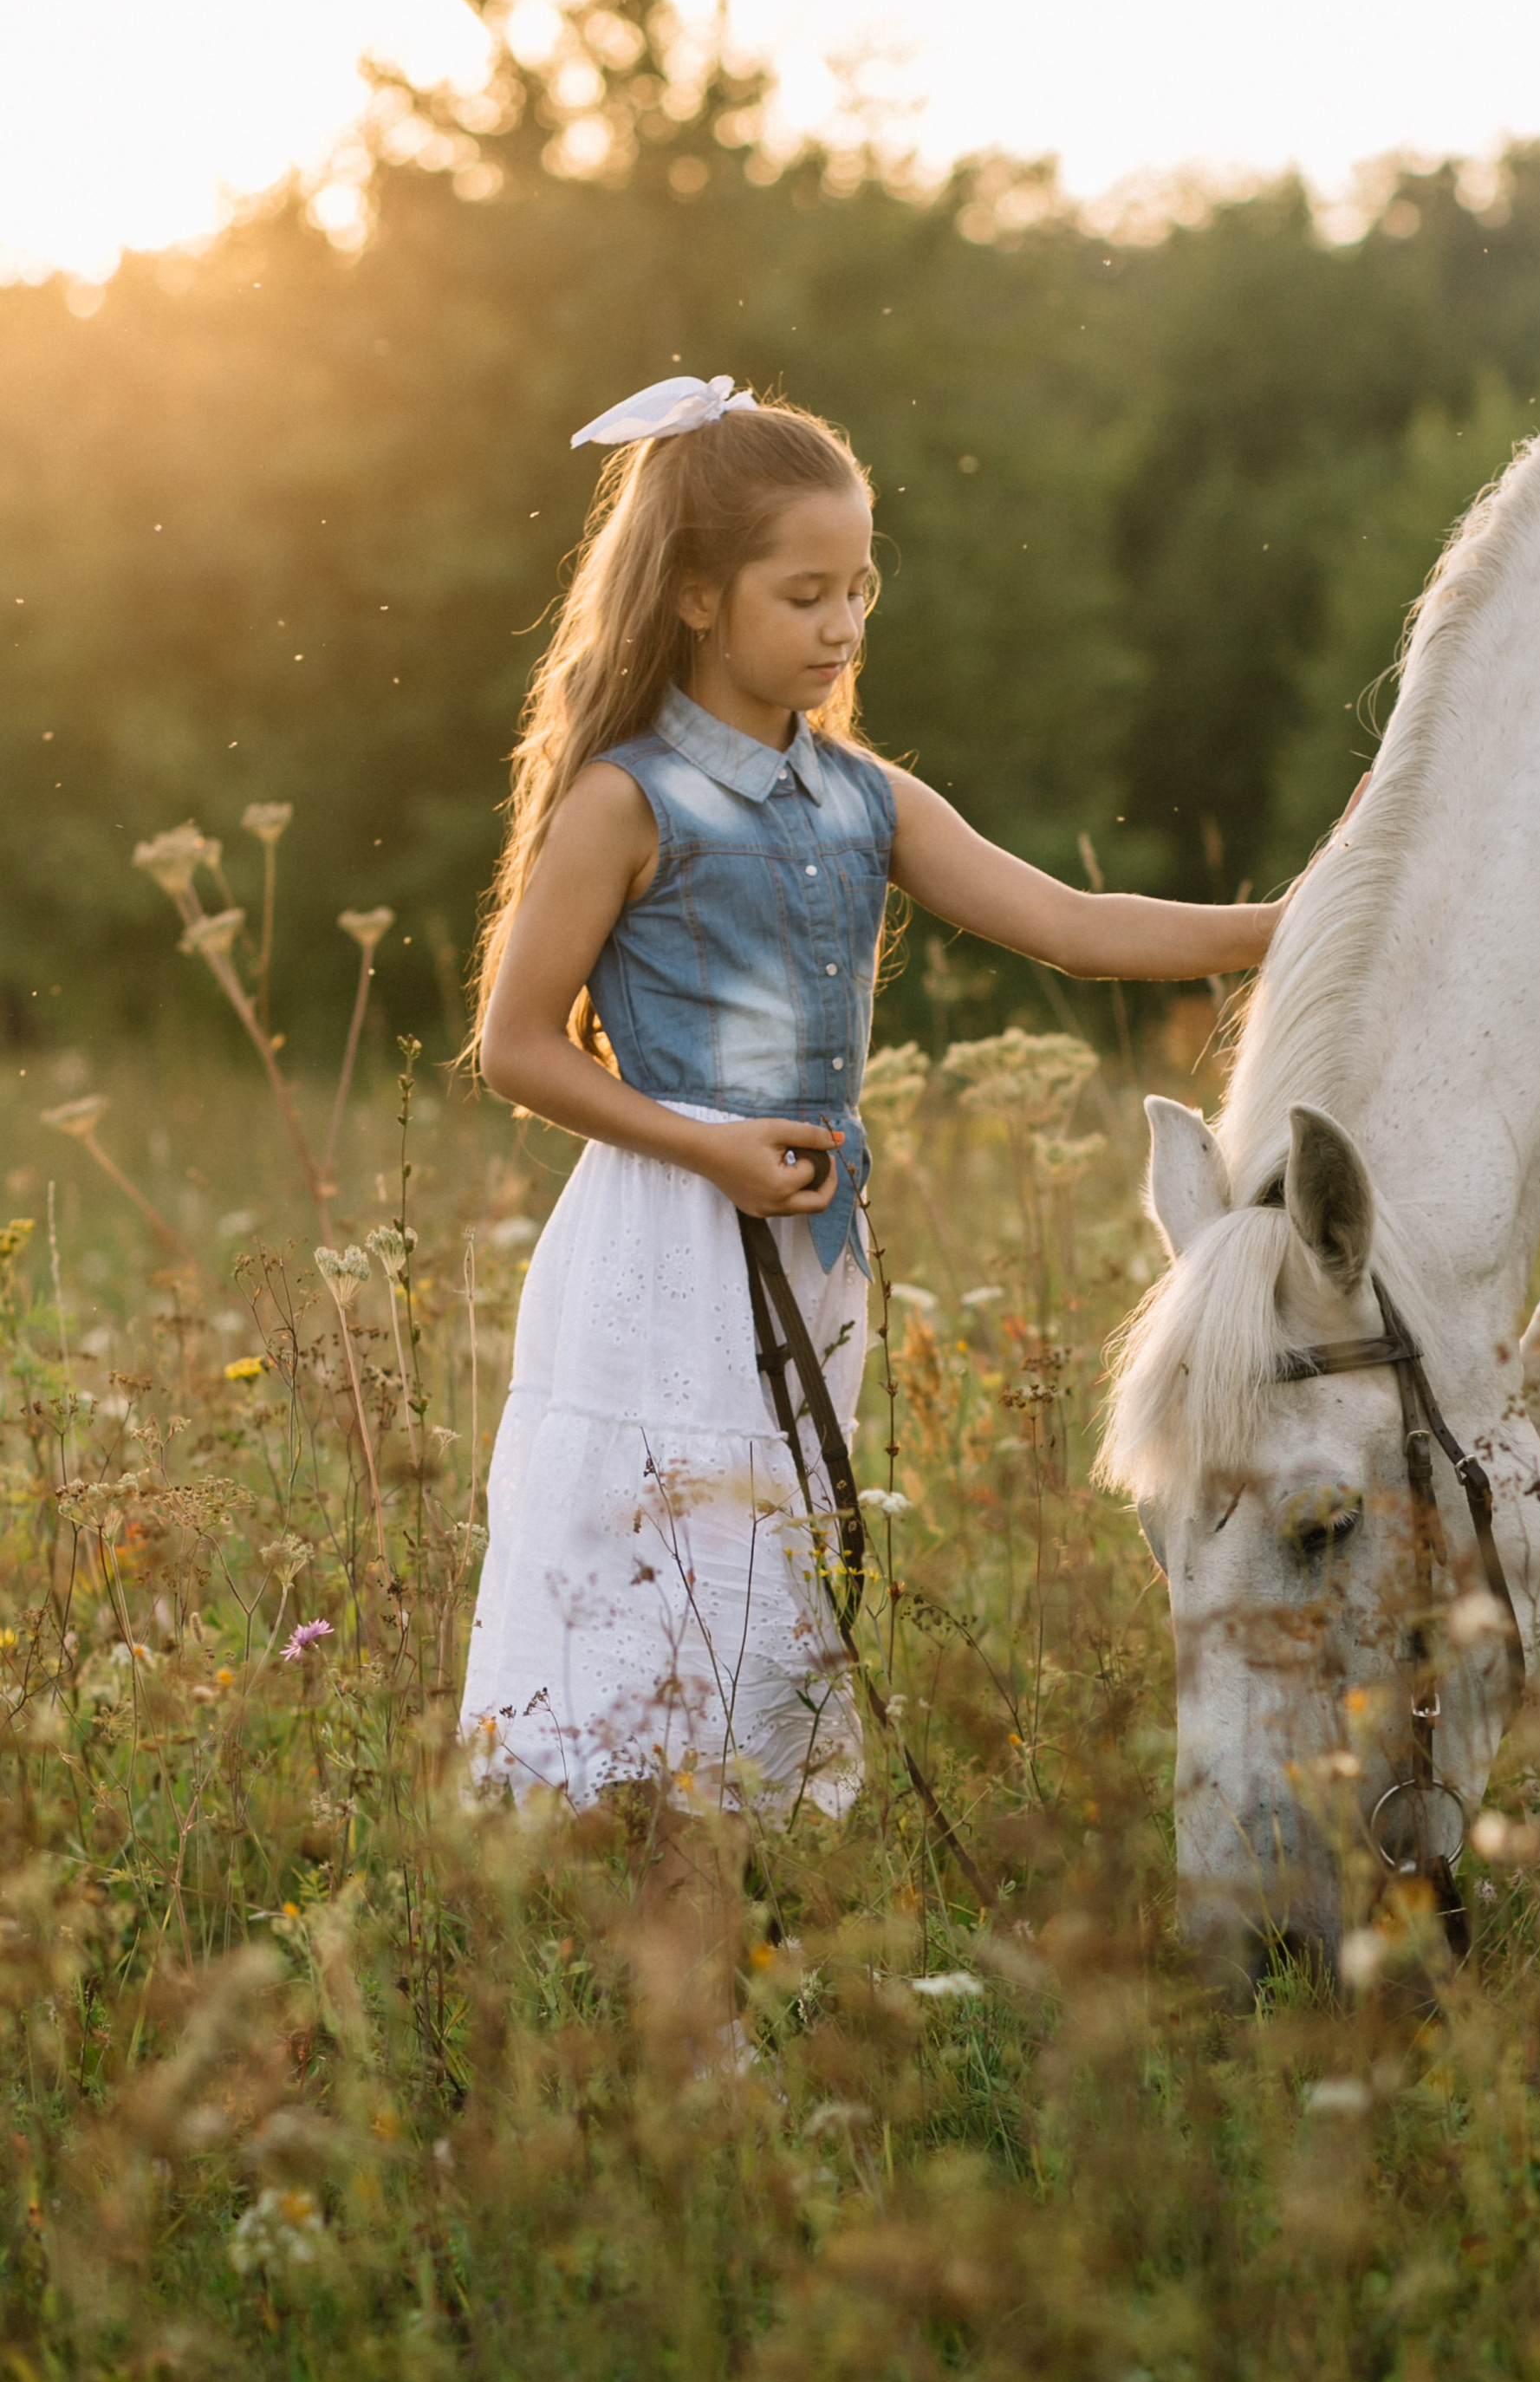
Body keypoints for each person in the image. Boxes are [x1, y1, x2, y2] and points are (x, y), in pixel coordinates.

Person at [461, 374, 1279, 1806]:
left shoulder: (865, 798)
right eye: (804, 595)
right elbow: (516, 1044)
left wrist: (1302, 926)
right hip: (665, 1245)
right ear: (701, 597)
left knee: (767, 1575)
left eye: (860, 589)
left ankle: (708, 1970)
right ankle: (675, 1994)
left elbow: (1076, 929)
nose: (843, 626)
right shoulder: (628, 799)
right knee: (664, 1596)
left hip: (809, 1251)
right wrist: (705, 1151)